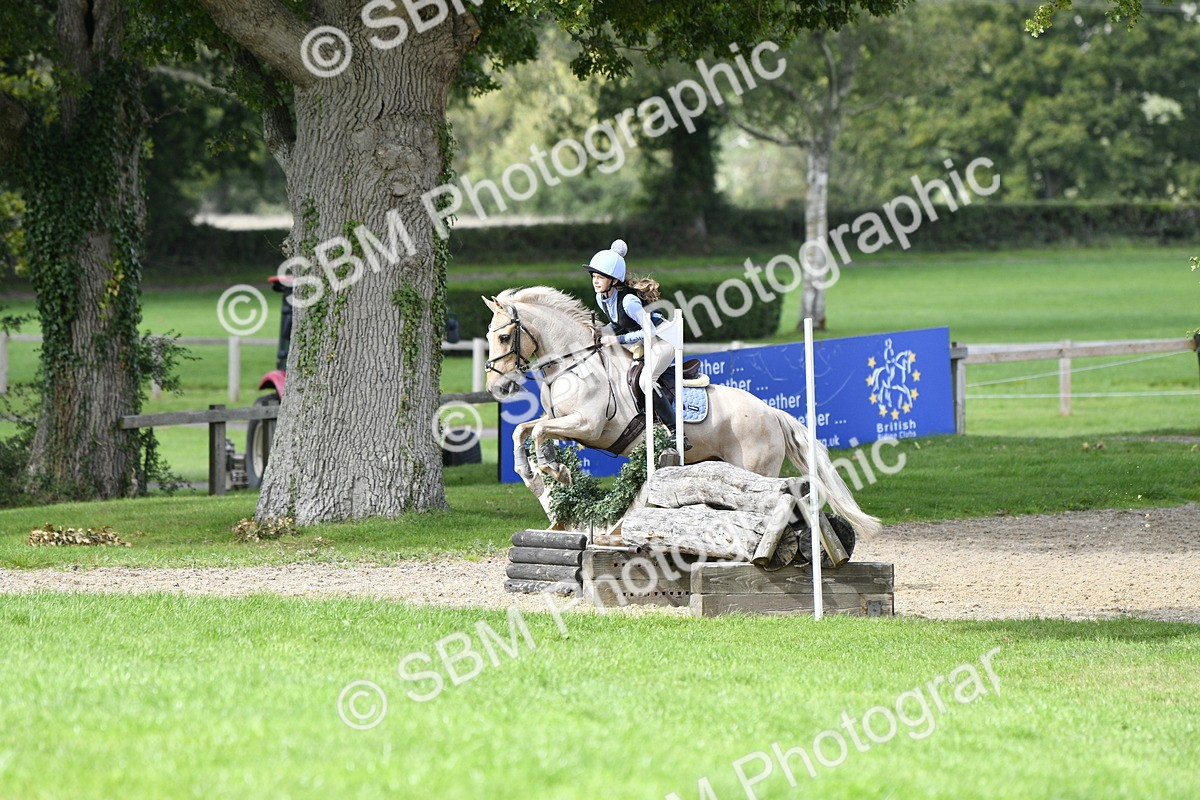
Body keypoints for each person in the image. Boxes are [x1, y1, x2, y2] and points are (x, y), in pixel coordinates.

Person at [585, 239, 690, 450]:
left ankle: (677, 432)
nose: (596, 281)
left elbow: (648, 332)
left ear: (614, 280)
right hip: (643, 342)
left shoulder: (628, 301)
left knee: (645, 381)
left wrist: (617, 340)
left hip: (663, 339)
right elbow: (618, 323)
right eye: (594, 276)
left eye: (601, 277)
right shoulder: (601, 297)